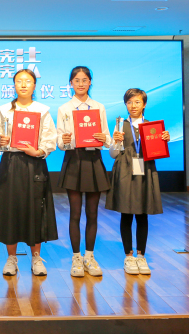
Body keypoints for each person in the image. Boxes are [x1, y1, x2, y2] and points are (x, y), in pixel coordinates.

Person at [0, 69, 58, 276]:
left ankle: (36, 258)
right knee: (10, 209)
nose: (24, 84)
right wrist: (0, 140)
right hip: (11, 163)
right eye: (19, 81)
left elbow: (50, 138)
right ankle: (11, 258)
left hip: (34, 163)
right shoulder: (4, 110)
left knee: (36, 209)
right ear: (14, 85)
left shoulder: (42, 110)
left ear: (34, 85)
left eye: (28, 81)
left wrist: (38, 151)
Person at [105, 88, 169, 275]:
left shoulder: (152, 126)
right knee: (126, 213)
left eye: (137, 102)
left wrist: (164, 140)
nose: (133, 106)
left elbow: (158, 151)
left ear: (144, 104)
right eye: (129, 102)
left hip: (145, 170)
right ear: (126, 104)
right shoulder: (120, 125)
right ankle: (128, 256)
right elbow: (113, 154)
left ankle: (141, 256)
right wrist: (116, 142)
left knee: (142, 214)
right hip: (125, 171)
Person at [57, 66, 111, 277]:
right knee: (75, 213)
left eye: (84, 80)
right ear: (71, 83)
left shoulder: (99, 107)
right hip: (74, 160)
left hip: (94, 160)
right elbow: (60, 142)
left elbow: (107, 138)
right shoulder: (64, 109)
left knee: (93, 213)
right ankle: (76, 258)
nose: (80, 84)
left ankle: (89, 256)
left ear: (90, 82)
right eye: (76, 80)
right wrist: (64, 140)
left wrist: (103, 138)